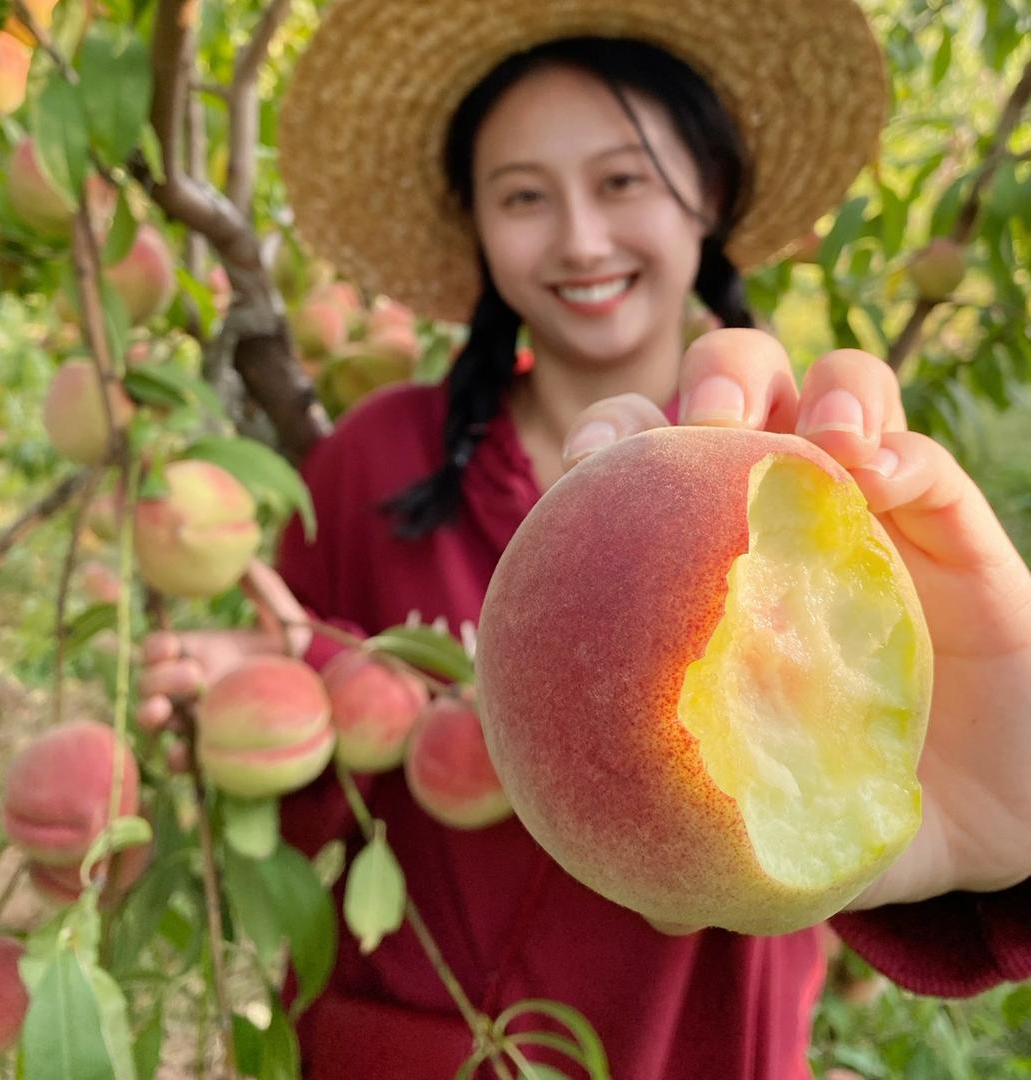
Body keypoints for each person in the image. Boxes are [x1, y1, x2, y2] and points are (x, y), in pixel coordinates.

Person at [138, 0, 1031, 1075]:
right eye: (523, 196)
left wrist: (1012, 828)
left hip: (689, 1049)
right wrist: (265, 680)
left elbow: (849, 831)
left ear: (708, 194)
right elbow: (314, 733)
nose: (580, 237)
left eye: (624, 181)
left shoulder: (822, 485)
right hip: (401, 1044)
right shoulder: (378, 460)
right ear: (474, 224)